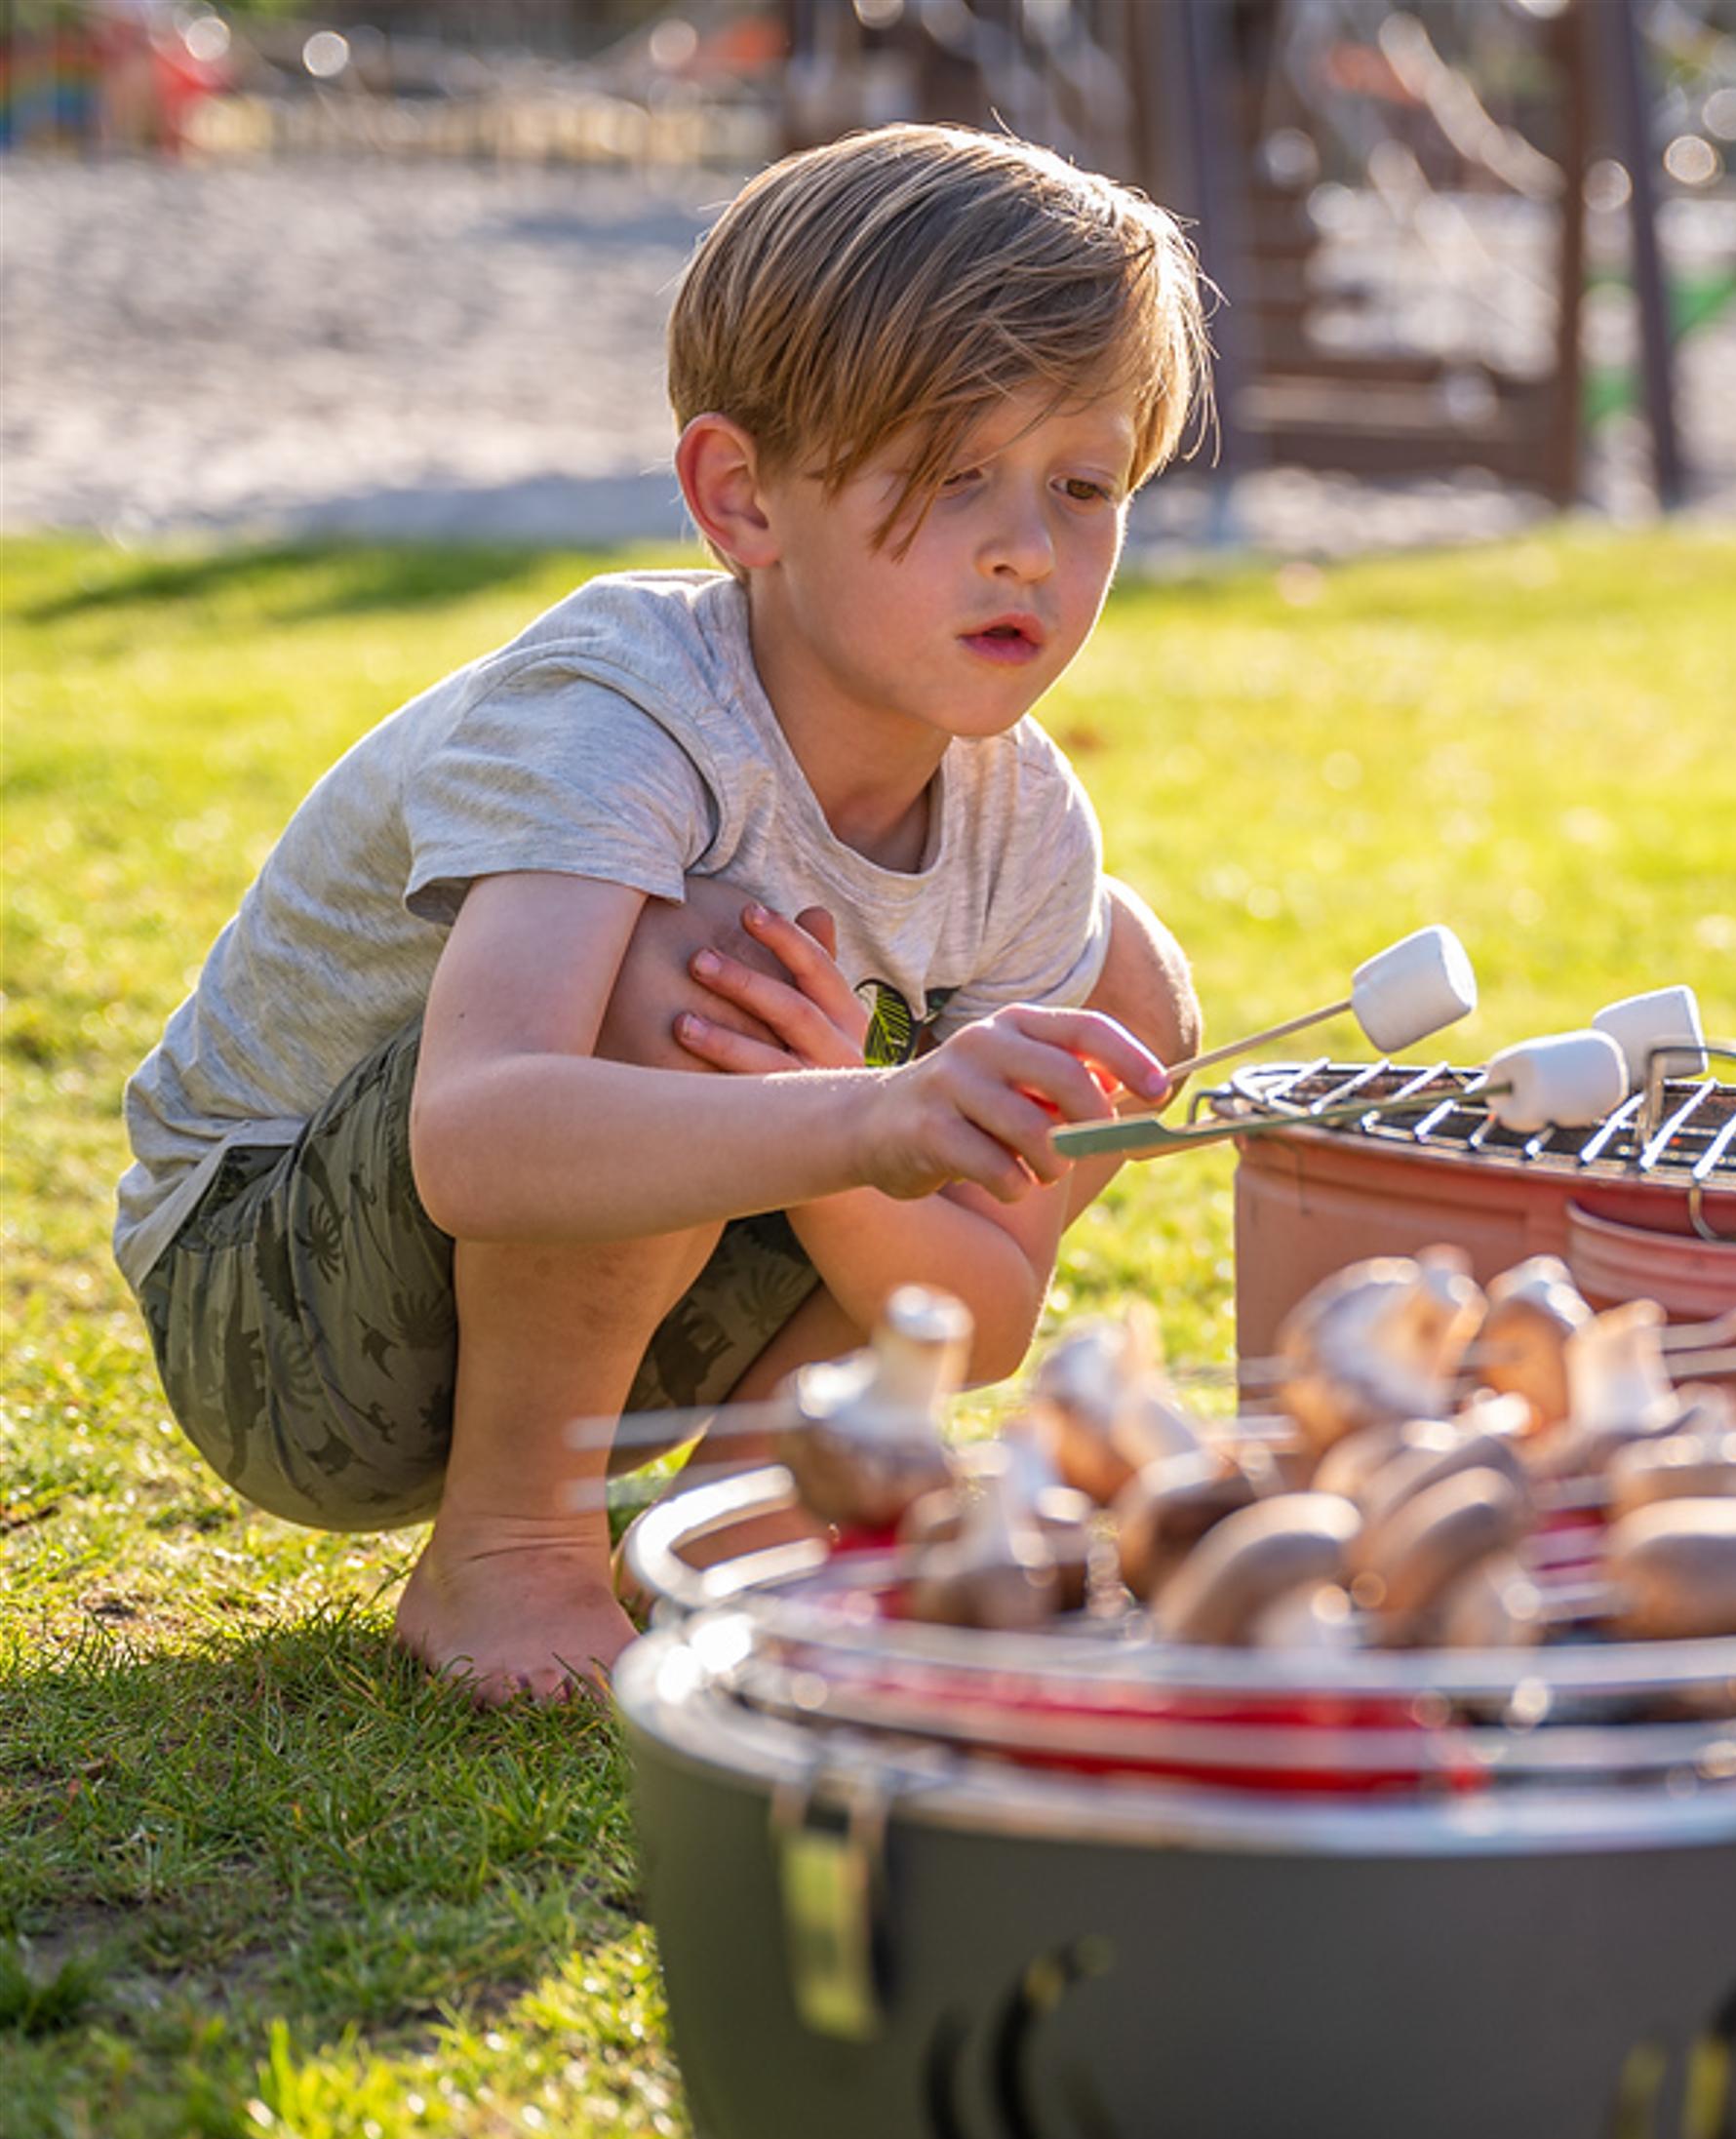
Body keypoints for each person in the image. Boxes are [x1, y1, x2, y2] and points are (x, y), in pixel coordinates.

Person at [113, 125, 1215, 1703]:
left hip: (617, 1278)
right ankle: (510, 1549)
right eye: (949, 470)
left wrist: (858, 1135)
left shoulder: (1022, 823)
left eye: (1085, 482)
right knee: (701, 959)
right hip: (281, 1308)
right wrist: (856, 1115)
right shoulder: (623, 705)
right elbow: (475, 1135)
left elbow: (976, 1308)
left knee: (1133, 968)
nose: (1024, 545)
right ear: (741, 496)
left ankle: (746, 1514)